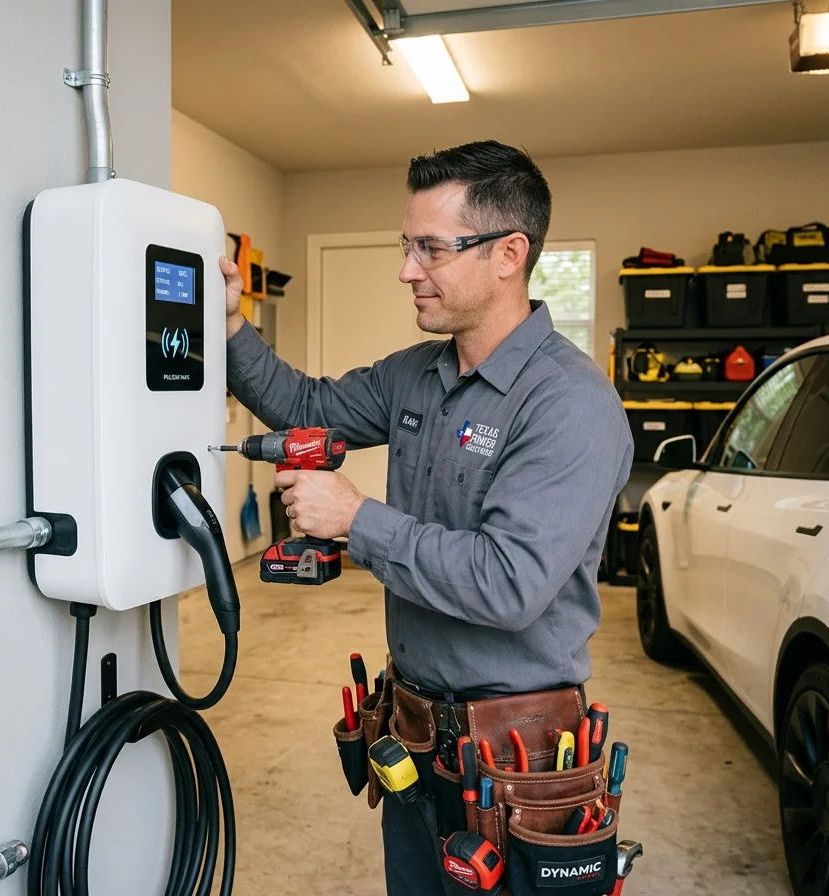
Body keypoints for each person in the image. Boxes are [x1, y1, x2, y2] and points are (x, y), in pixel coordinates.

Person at [221, 140, 634, 894]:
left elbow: (510, 584)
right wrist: (230, 325)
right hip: (411, 733)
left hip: (518, 761)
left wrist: (356, 518)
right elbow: (308, 409)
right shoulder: (417, 373)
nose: (408, 269)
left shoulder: (570, 404)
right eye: (407, 246)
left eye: (431, 249)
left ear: (509, 252)